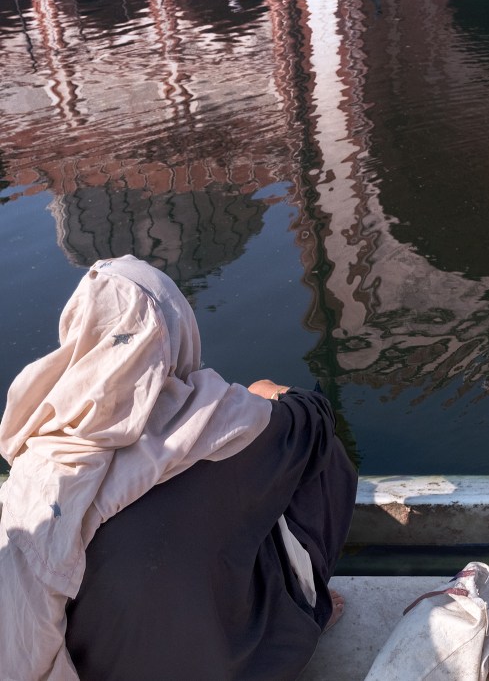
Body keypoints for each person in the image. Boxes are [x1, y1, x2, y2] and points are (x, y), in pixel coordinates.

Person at [0, 255, 357, 680]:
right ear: (176, 331)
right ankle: (307, 607)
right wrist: (266, 394)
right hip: (233, 667)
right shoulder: (217, 420)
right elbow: (316, 423)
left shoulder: (39, 456)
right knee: (320, 455)